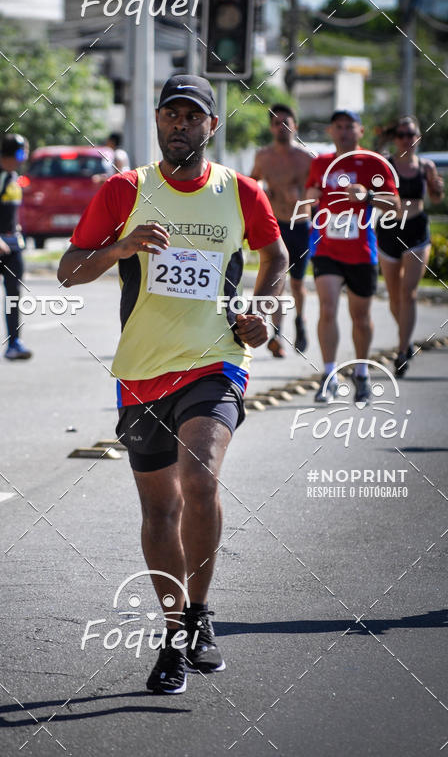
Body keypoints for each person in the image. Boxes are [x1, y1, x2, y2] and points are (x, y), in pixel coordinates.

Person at [58, 74, 288, 694]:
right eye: (171, 115)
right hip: (140, 371)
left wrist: (263, 313)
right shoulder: (124, 190)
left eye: (193, 116)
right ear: (157, 123)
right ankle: (174, 629)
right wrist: (122, 246)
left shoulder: (241, 192)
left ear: (212, 126)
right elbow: (68, 271)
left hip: (215, 361)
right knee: (160, 509)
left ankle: (198, 612)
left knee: (200, 474)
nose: (181, 124)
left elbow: (276, 257)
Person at [304, 110, 399, 404]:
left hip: (361, 251)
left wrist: (368, 196)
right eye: (338, 127)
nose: (344, 132)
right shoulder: (320, 162)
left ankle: (361, 372)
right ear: (330, 132)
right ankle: (329, 375)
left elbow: (394, 204)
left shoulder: (372, 163)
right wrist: (310, 199)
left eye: (349, 126)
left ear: (361, 131)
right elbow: (311, 197)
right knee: (327, 308)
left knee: (360, 317)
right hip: (327, 248)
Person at [377, 116, 444, 376]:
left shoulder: (425, 167)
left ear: (418, 137)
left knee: (409, 293)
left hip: (416, 230)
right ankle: (404, 331)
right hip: (389, 229)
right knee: (394, 295)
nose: (407, 139)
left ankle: (402, 349)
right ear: (396, 138)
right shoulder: (386, 164)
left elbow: (436, 199)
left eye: (411, 134)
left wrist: (438, 189)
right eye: (402, 134)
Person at [251, 103, 313, 355]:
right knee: (277, 280)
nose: (282, 127)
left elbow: (320, 194)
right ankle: (277, 335)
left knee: (297, 284)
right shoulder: (263, 156)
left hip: (300, 225)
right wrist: (262, 191)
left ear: (295, 126)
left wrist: (302, 196)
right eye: (277, 123)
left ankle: (300, 320)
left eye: (287, 122)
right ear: (271, 127)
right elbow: (251, 181)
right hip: (275, 226)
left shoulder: (306, 158)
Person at [0, 133, 32, 361]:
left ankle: (14, 343)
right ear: (15, 153)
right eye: (24, 152)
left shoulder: (13, 176)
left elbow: (9, 210)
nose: (25, 157)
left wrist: (16, 229)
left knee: (13, 296)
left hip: (13, 248)